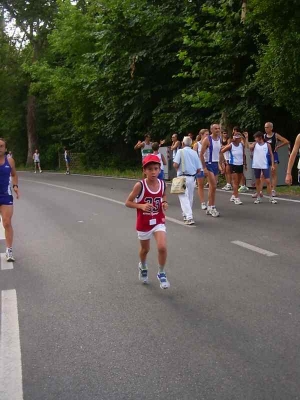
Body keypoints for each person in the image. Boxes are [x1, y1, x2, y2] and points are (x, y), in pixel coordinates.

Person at [125, 154, 170, 289]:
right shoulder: (140, 185)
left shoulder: (162, 184)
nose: (153, 172)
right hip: (144, 222)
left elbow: (163, 195)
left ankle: (161, 273)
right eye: (150, 169)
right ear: (144, 170)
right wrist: (141, 206)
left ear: (159, 169)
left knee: (162, 247)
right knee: (145, 249)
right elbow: (127, 202)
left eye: (156, 168)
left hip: (158, 220)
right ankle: (143, 266)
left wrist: (165, 202)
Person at [173, 136, 201, 225]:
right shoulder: (194, 152)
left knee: (183, 197)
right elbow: (199, 169)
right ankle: (185, 214)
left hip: (182, 176)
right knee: (189, 197)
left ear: (183, 143)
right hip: (192, 177)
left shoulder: (180, 151)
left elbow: (175, 164)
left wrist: (178, 169)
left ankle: (189, 217)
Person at [0, 138, 19, 261]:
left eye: (1, 146)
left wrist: (15, 186)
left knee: (7, 223)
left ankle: (9, 250)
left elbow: (14, 174)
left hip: (6, 195)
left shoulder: (10, 161)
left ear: (5, 148)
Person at [200, 124, 223, 217]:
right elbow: (201, 154)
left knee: (212, 187)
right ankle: (212, 207)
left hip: (215, 164)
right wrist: (204, 168)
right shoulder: (207, 140)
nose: (217, 130)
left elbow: (219, 153)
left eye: (218, 128)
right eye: (215, 129)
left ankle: (210, 207)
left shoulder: (220, 139)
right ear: (211, 130)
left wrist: (221, 164)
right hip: (209, 164)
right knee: (213, 186)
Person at [249, 131, 277, 204]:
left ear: (260, 137)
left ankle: (271, 198)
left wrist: (273, 165)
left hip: (264, 165)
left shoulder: (267, 145)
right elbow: (249, 147)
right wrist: (246, 138)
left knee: (268, 181)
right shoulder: (255, 144)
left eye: (256, 138)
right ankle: (258, 197)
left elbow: (271, 154)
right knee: (257, 181)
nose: (255, 139)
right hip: (256, 165)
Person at [264, 122, 289, 196]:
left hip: (274, 155)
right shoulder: (264, 136)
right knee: (263, 173)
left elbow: (286, 141)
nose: (266, 129)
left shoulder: (275, 135)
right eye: (265, 127)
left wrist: (278, 146)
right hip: (266, 155)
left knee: (273, 172)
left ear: (271, 128)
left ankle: (273, 189)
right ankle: (262, 189)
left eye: (267, 127)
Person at [221, 132, 246, 205]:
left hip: (240, 164)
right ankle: (236, 197)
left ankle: (233, 194)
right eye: (237, 138)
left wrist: (245, 163)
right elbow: (222, 151)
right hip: (233, 164)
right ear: (235, 138)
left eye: (239, 138)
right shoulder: (231, 145)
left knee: (238, 181)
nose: (239, 139)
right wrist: (225, 161)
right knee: (235, 181)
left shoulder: (241, 145)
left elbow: (243, 154)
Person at [193, 129, 209, 210]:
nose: (208, 136)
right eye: (206, 134)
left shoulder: (209, 143)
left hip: (208, 165)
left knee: (212, 185)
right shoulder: (197, 144)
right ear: (202, 135)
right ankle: (203, 202)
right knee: (201, 185)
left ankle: (210, 202)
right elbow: (193, 156)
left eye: (208, 134)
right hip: (200, 166)